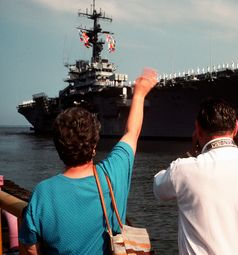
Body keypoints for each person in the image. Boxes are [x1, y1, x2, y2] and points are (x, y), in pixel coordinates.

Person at [19, 68, 158, 254]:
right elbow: (131, 133)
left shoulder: (42, 193)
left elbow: (30, 249)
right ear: (94, 145)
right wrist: (139, 93)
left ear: (58, 148)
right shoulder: (112, 173)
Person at [153, 98, 238, 255]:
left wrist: (192, 154)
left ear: (197, 129)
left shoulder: (183, 169)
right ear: (236, 127)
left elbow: (158, 188)